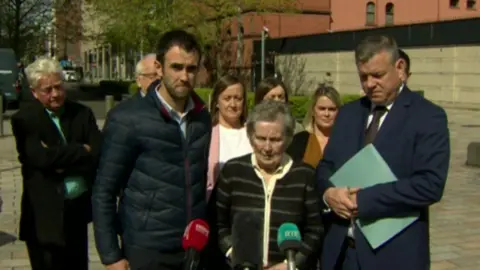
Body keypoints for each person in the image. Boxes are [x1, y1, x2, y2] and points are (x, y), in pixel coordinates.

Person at [318, 35, 450, 270]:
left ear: (399, 68)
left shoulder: (428, 117)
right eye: (363, 77)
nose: (369, 84)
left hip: (393, 256)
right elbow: (325, 166)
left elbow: (430, 184)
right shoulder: (348, 114)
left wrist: (364, 200)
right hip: (340, 254)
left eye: (377, 75)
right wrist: (329, 193)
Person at [92, 30, 211, 270]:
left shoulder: (202, 117)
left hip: (192, 248)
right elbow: (104, 191)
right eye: (176, 67)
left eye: (191, 68)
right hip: (147, 247)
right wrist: (111, 256)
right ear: (159, 67)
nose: (184, 76)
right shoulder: (127, 119)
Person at [11, 57, 102, 270]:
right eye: (47, 90)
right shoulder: (24, 119)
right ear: (34, 92)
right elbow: (39, 159)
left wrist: (60, 158)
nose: (55, 94)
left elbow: (97, 152)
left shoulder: (82, 113)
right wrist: (81, 150)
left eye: (58, 87)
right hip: (44, 216)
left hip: (76, 212)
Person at [214, 100, 323, 270]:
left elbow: (315, 230)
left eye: (275, 139)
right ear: (251, 137)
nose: (267, 147)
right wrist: (235, 255)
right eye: (261, 138)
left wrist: (290, 265)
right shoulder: (233, 172)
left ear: (287, 139)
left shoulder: (304, 176)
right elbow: (219, 224)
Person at [206, 74, 252, 198]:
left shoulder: (253, 134)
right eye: (227, 98)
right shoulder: (207, 134)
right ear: (216, 102)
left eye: (238, 98)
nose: (233, 104)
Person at [287, 84, 341, 168]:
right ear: (313, 111)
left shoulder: (345, 141)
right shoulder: (299, 141)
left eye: (332, 109)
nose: (327, 114)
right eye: (322, 109)